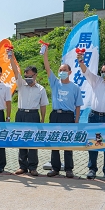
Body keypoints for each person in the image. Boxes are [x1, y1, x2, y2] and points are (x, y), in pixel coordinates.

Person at [42, 48, 83, 178]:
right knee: (54, 142)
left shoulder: (75, 87)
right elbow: (48, 69)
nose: (62, 72)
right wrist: (45, 54)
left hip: (68, 116)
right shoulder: (55, 83)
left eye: (64, 70)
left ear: (70, 72)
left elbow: (78, 106)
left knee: (67, 143)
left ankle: (69, 169)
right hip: (55, 115)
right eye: (60, 70)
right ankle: (55, 168)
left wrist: (76, 121)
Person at [9, 51, 48, 176]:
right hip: (21, 114)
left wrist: (42, 119)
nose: (28, 79)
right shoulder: (21, 84)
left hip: (33, 115)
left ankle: (33, 167)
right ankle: (22, 166)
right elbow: (15, 71)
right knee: (21, 140)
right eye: (26, 76)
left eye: (30, 76)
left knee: (32, 141)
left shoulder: (41, 89)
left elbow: (43, 105)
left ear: (35, 75)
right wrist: (11, 56)